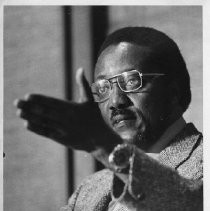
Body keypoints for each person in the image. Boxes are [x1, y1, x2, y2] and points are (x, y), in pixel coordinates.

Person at [15, 27, 203, 211]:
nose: (115, 101)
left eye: (131, 81)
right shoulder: (90, 188)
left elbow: (188, 203)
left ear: (174, 92)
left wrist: (102, 143)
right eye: (104, 88)